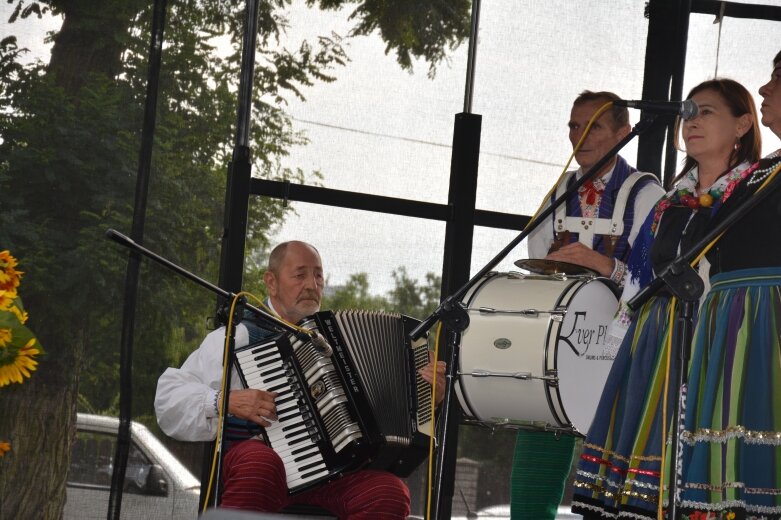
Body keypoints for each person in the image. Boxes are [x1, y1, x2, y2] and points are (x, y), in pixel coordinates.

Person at [570, 76, 767, 519]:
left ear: (741, 126)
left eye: (706, 112)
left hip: (719, 335)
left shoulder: (756, 194)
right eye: (687, 113)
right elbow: (643, 278)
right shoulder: (671, 201)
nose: (691, 122)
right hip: (657, 337)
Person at [155, 240, 445, 518]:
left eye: (318, 276)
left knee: (389, 492)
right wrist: (223, 400)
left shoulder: (336, 340)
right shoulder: (240, 335)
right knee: (261, 465)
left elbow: (381, 415)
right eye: (300, 275)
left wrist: (426, 397)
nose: (312, 285)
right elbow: (168, 401)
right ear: (271, 282)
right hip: (260, 467)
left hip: (332, 474)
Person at [512, 91, 665, 520]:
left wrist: (605, 266)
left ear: (623, 133)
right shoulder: (559, 193)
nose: (579, 136)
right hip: (562, 346)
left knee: (614, 473)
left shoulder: (645, 194)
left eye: (592, 126)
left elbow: (660, 280)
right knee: (537, 450)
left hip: (624, 348)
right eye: (573, 126)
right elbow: (538, 267)